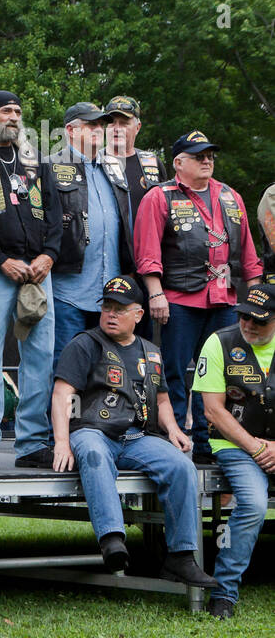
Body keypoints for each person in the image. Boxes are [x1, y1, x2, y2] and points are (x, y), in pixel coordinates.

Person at [51, 275, 218, 588]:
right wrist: (61, 441)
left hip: (138, 437)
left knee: (181, 465)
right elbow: (62, 394)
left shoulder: (150, 351)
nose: (111, 314)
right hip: (93, 431)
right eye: (107, 307)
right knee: (94, 454)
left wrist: (173, 430)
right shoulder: (84, 344)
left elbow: (164, 398)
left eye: (120, 309)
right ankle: (112, 541)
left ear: (139, 315)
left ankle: (180, 557)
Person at [134, 131, 262, 461]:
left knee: (221, 375)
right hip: (178, 298)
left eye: (210, 155)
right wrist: (155, 294)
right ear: (178, 163)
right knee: (173, 372)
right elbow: (147, 252)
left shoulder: (231, 196)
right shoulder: (159, 196)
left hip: (225, 299)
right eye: (199, 156)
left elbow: (249, 256)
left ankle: (210, 446)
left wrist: (259, 298)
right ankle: (172, 442)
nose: (207, 161)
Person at [0, 90, 62, 469]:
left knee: (40, 355)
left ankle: (33, 442)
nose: (14, 116)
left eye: (18, 111)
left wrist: (49, 256)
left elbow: (56, 213)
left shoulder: (35, 161)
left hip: (38, 272)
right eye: (6, 111)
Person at [193, 283, 275, 618]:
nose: (248, 325)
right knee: (254, 503)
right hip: (235, 445)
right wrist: (258, 448)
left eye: (257, 320)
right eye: (244, 317)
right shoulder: (218, 342)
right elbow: (213, 410)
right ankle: (224, 592)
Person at [47, 101, 132, 372]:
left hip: (111, 291)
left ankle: (93, 417)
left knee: (106, 370)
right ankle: (64, 417)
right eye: (91, 124)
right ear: (70, 130)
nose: (99, 129)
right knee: (66, 367)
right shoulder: (49, 165)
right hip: (68, 289)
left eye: (101, 125)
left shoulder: (114, 168)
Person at [103, 96, 164, 222]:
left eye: (124, 123)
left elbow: (164, 208)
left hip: (145, 240)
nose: (117, 128)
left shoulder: (152, 163)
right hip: (108, 241)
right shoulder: (94, 162)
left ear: (138, 127)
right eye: (112, 122)